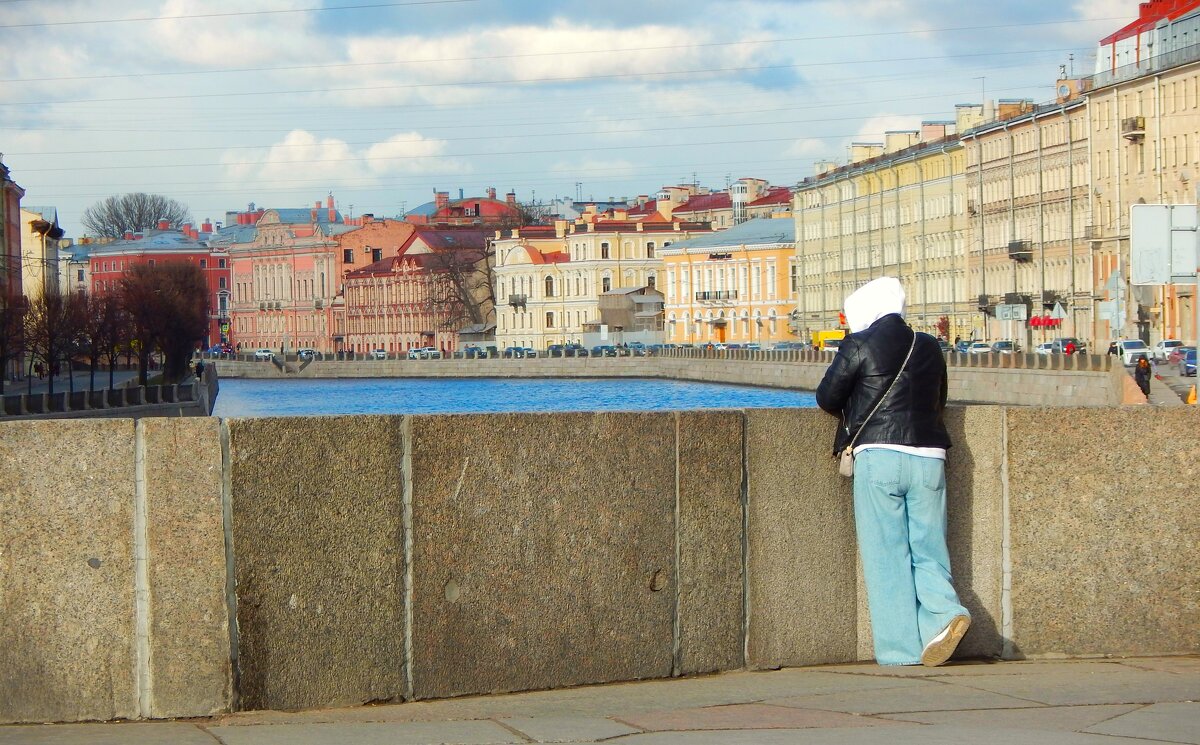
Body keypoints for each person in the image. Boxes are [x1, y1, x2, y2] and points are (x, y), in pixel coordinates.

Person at [816, 276, 970, 667]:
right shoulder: (929, 345)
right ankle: (944, 613)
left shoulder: (858, 344)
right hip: (930, 456)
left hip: (880, 456)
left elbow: (827, 396)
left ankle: (902, 651)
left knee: (887, 555)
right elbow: (940, 398)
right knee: (929, 547)